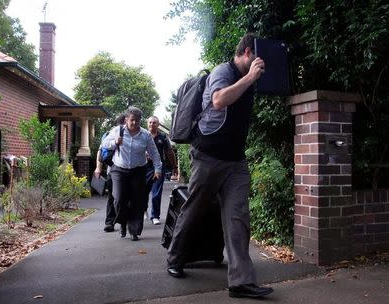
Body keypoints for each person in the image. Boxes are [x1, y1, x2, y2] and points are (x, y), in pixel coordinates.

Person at [166, 33, 274, 299]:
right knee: (195, 208)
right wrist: (249, 79)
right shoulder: (222, 72)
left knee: (238, 218)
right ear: (248, 52)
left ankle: (241, 282)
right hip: (208, 157)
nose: (261, 62)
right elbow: (218, 100)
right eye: (258, 56)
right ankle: (175, 258)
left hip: (235, 161)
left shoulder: (252, 79)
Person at [102, 106, 161, 241]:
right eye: (132, 120)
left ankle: (134, 230)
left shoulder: (145, 135)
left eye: (138, 120)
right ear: (126, 119)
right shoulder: (118, 130)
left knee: (137, 201)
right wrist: (114, 142)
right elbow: (105, 144)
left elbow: (154, 153)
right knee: (118, 199)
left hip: (138, 170)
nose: (135, 123)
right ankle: (123, 223)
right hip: (119, 169)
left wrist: (158, 169)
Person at [94, 114, 126, 233]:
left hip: (123, 170)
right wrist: (98, 168)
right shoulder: (111, 134)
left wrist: (98, 168)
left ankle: (115, 221)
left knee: (116, 197)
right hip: (113, 170)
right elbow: (101, 151)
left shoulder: (133, 134)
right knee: (113, 196)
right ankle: (110, 222)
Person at [145, 116, 178, 225]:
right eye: (150, 122)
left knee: (156, 192)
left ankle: (155, 216)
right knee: (143, 191)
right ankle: (143, 210)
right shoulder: (143, 135)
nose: (152, 124)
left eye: (154, 123)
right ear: (147, 124)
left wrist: (174, 166)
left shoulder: (163, 137)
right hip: (144, 167)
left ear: (158, 125)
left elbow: (169, 152)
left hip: (158, 167)